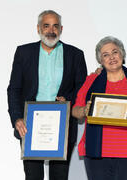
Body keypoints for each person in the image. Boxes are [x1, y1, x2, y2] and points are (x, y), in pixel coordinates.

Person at [7, 10, 87, 180]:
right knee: (32, 176)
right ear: (38, 29)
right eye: (46, 26)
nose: (51, 30)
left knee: (59, 176)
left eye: (55, 26)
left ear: (61, 29)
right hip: (30, 126)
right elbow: (14, 89)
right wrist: (16, 118)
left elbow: (82, 89)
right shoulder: (24, 52)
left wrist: (69, 100)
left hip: (62, 125)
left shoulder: (75, 55)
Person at [72, 36, 127, 180]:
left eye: (115, 52)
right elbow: (75, 110)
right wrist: (85, 110)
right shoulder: (91, 80)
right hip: (97, 152)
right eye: (105, 55)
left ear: (122, 54)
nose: (112, 57)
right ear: (101, 61)